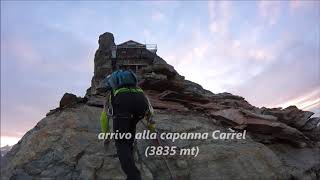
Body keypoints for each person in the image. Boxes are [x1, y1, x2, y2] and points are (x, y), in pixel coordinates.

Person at [100, 70, 153, 180]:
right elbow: (150, 110)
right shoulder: (139, 90)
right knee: (130, 131)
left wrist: (106, 135)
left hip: (123, 110)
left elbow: (104, 117)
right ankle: (130, 151)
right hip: (139, 110)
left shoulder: (114, 93)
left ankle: (134, 176)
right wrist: (152, 128)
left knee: (121, 143)